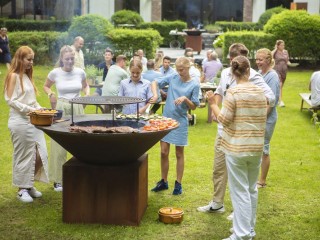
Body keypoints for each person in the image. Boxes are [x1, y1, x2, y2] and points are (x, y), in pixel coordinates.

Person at [197, 43, 275, 217]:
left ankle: (238, 211)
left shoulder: (253, 76)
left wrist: (252, 118)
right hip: (222, 131)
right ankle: (217, 203)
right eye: (238, 60)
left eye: (244, 59)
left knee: (240, 177)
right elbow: (219, 91)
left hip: (240, 136)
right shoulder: (225, 73)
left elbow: (271, 98)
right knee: (218, 168)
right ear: (231, 60)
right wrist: (215, 108)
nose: (242, 62)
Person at [207, 55, 267, 240]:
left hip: (237, 149)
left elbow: (223, 120)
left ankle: (241, 235)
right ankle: (248, 229)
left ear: (233, 73)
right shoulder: (260, 92)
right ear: (249, 71)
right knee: (251, 190)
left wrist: (212, 104)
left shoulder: (233, 92)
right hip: (256, 148)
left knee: (240, 191)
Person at [4, 46, 49, 203]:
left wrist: (39, 108)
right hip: (20, 122)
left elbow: (31, 99)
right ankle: (22, 189)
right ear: (20, 59)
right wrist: (31, 110)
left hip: (33, 120)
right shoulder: (13, 76)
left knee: (40, 153)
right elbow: (10, 100)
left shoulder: (27, 76)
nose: (31, 62)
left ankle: (28, 184)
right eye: (28, 59)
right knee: (24, 156)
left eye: (32, 59)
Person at [150, 57, 200, 195]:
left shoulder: (194, 84)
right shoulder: (173, 76)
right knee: (163, 152)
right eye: (177, 69)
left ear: (188, 67)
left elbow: (195, 106)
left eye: (182, 70)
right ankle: (163, 182)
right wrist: (155, 94)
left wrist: (185, 99)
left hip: (180, 121)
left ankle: (178, 184)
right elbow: (154, 82)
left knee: (179, 153)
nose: (179, 72)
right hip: (166, 119)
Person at [43, 45, 89, 192]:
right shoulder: (55, 73)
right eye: (67, 59)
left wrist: (86, 95)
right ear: (62, 59)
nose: (70, 61)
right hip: (62, 107)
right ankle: (58, 180)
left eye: (72, 58)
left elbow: (86, 86)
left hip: (78, 107)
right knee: (59, 143)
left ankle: (81, 175)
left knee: (81, 142)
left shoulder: (80, 72)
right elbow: (46, 86)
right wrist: (50, 94)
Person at [256, 48, 280, 189]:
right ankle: (255, 177)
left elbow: (272, 101)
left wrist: (261, 118)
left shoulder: (272, 76)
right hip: (258, 116)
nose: (258, 62)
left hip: (267, 117)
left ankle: (262, 181)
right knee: (256, 148)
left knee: (264, 148)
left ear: (269, 60)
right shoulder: (259, 74)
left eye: (261, 59)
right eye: (257, 59)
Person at [272, 40, 290, 107]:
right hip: (277, 69)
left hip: (284, 70)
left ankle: (275, 99)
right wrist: (275, 49)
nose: (283, 46)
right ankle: (281, 101)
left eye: (283, 45)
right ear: (278, 46)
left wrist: (291, 64)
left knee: (280, 86)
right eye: (281, 45)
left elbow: (287, 61)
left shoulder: (286, 52)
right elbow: (270, 56)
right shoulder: (275, 52)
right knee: (280, 84)